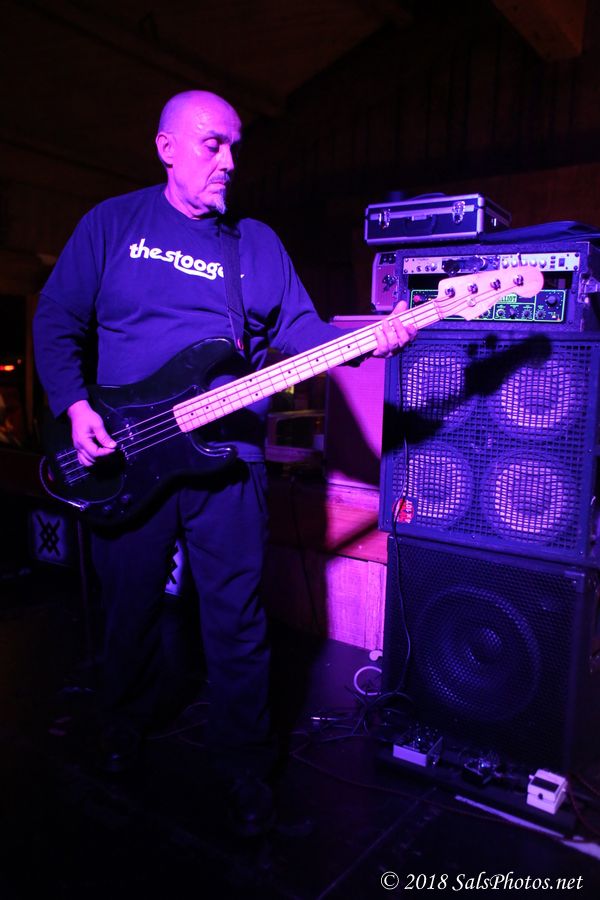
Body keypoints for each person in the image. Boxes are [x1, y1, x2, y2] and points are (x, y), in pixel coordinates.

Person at [33, 90, 415, 836]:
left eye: (236, 146)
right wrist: (75, 406)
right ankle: (121, 723)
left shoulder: (255, 244)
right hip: (126, 454)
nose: (230, 162)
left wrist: (369, 340)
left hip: (229, 457)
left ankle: (243, 766)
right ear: (166, 147)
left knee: (237, 618)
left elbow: (301, 332)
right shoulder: (112, 224)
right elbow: (56, 318)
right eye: (214, 145)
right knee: (130, 607)